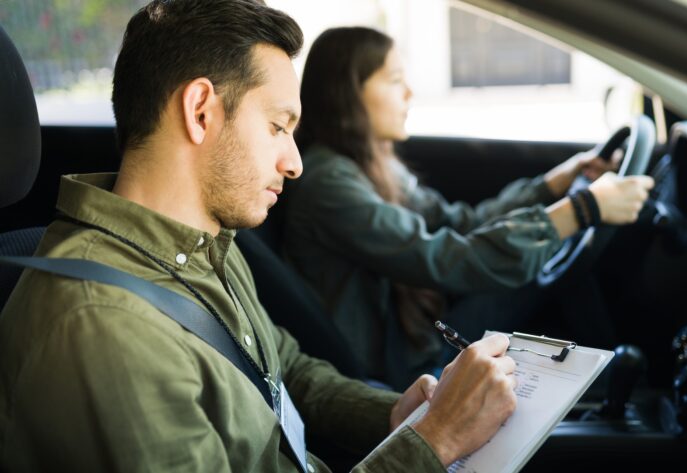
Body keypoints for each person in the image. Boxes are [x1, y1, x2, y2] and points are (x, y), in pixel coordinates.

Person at [0, 1, 519, 471]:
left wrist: (398, 413)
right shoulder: (103, 324)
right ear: (201, 111)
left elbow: (281, 370)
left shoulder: (202, 244)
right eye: (277, 126)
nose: (294, 163)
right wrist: (434, 440)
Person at [282, 26, 655, 389]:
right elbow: (444, 258)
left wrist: (553, 185)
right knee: (540, 265)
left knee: (543, 260)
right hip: (396, 370)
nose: (410, 92)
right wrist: (580, 211)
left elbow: (462, 223)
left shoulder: (374, 165)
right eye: (396, 81)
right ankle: (617, 389)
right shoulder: (329, 183)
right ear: (348, 93)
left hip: (415, 339)